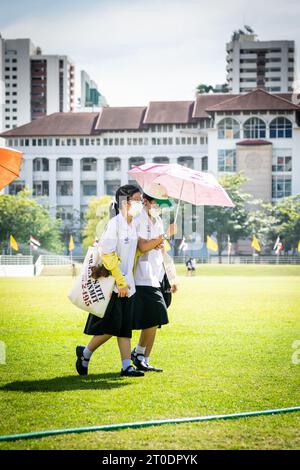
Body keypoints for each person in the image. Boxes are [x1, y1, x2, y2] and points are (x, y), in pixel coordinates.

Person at [75, 184, 145, 377]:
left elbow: (132, 252)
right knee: (111, 327)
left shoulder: (133, 225)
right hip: (115, 285)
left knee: (124, 327)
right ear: (125, 202)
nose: (140, 203)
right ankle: (85, 353)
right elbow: (107, 255)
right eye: (137, 200)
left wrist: (147, 248)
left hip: (128, 284)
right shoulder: (115, 224)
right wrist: (120, 282)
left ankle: (126, 366)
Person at [131, 192, 178, 372]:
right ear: (146, 202)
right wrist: (165, 235)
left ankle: (143, 357)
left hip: (157, 276)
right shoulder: (139, 219)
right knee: (157, 315)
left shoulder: (157, 220)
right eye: (157, 204)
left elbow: (160, 247)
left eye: (162, 206)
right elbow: (143, 247)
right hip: (141, 276)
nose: (159, 208)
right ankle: (139, 354)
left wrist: (172, 276)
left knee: (154, 320)